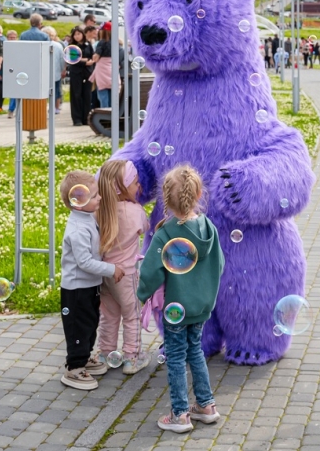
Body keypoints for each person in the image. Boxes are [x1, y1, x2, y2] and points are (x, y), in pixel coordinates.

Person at [137, 165, 224, 433]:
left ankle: (180, 415)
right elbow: (219, 265)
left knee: (175, 356)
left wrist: (141, 294)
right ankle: (207, 406)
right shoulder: (208, 228)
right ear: (198, 194)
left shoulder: (166, 233)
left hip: (176, 308)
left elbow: (151, 271)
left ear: (165, 199)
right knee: (195, 351)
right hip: (200, 306)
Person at [58, 170, 125, 390]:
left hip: (89, 286)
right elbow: (84, 262)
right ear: (78, 202)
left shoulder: (86, 217)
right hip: (76, 290)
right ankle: (74, 368)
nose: (100, 198)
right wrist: (110, 268)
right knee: (79, 327)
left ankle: (84, 357)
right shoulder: (77, 229)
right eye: (95, 196)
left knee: (89, 323)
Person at [95, 160, 150, 375]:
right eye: (135, 183)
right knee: (132, 314)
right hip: (126, 275)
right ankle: (131, 357)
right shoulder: (134, 211)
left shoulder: (100, 211)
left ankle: (104, 353)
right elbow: (144, 228)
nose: (139, 187)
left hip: (105, 273)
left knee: (108, 314)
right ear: (123, 187)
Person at [89, 22, 123, 108]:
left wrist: (93, 56)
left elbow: (96, 58)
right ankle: (113, 117)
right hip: (113, 69)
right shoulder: (117, 43)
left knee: (103, 97)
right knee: (113, 97)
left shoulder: (102, 42)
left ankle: (105, 117)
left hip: (102, 71)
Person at [67, 27, 94, 126]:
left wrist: (90, 61)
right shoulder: (71, 46)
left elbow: (92, 56)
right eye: (75, 34)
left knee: (87, 95)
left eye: (79, 34)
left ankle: (86, 118)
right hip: (76, 73)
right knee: (76, 95)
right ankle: (77, 119)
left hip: (87, 72)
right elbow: (73, 59)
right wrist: (84, 61)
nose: (77, 36)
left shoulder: (88, 45)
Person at [42, 26, 66, 114]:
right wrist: (63, 69)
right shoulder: (58, 45)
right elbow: (62, 59)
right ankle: (56, 108)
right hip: (56, 71)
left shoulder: (41, 44)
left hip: (44, 72)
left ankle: (45, 107)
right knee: (57, 90)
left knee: (44, 91)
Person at [4, 30, 18, 118]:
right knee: (12, 93)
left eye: (14, 38)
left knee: (16, 93)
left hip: (16, 72)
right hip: (8, 72)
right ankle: (11, 109)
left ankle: (14, 109)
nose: (12, 39)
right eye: (10, 38)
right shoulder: (4, 47)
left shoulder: (19, 47)